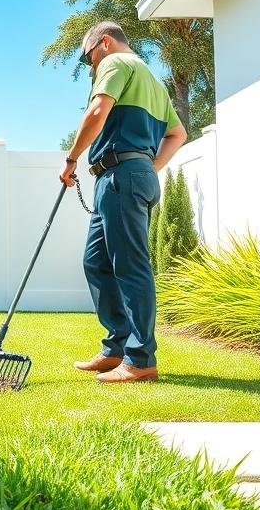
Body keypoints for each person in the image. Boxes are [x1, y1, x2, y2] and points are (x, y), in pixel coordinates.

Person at [59, 21, 187, 383]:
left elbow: (97, 112)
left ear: (104, 43)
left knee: (130, 266)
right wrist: (150, 165)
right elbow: (178, 133)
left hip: (121, 176)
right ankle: (115, 347)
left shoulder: (116, 64)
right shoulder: (154, 83)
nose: (90, 68)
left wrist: (71, 160)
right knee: (96, 263)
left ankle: (140, 358)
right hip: (123, 176)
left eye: (88, 59)